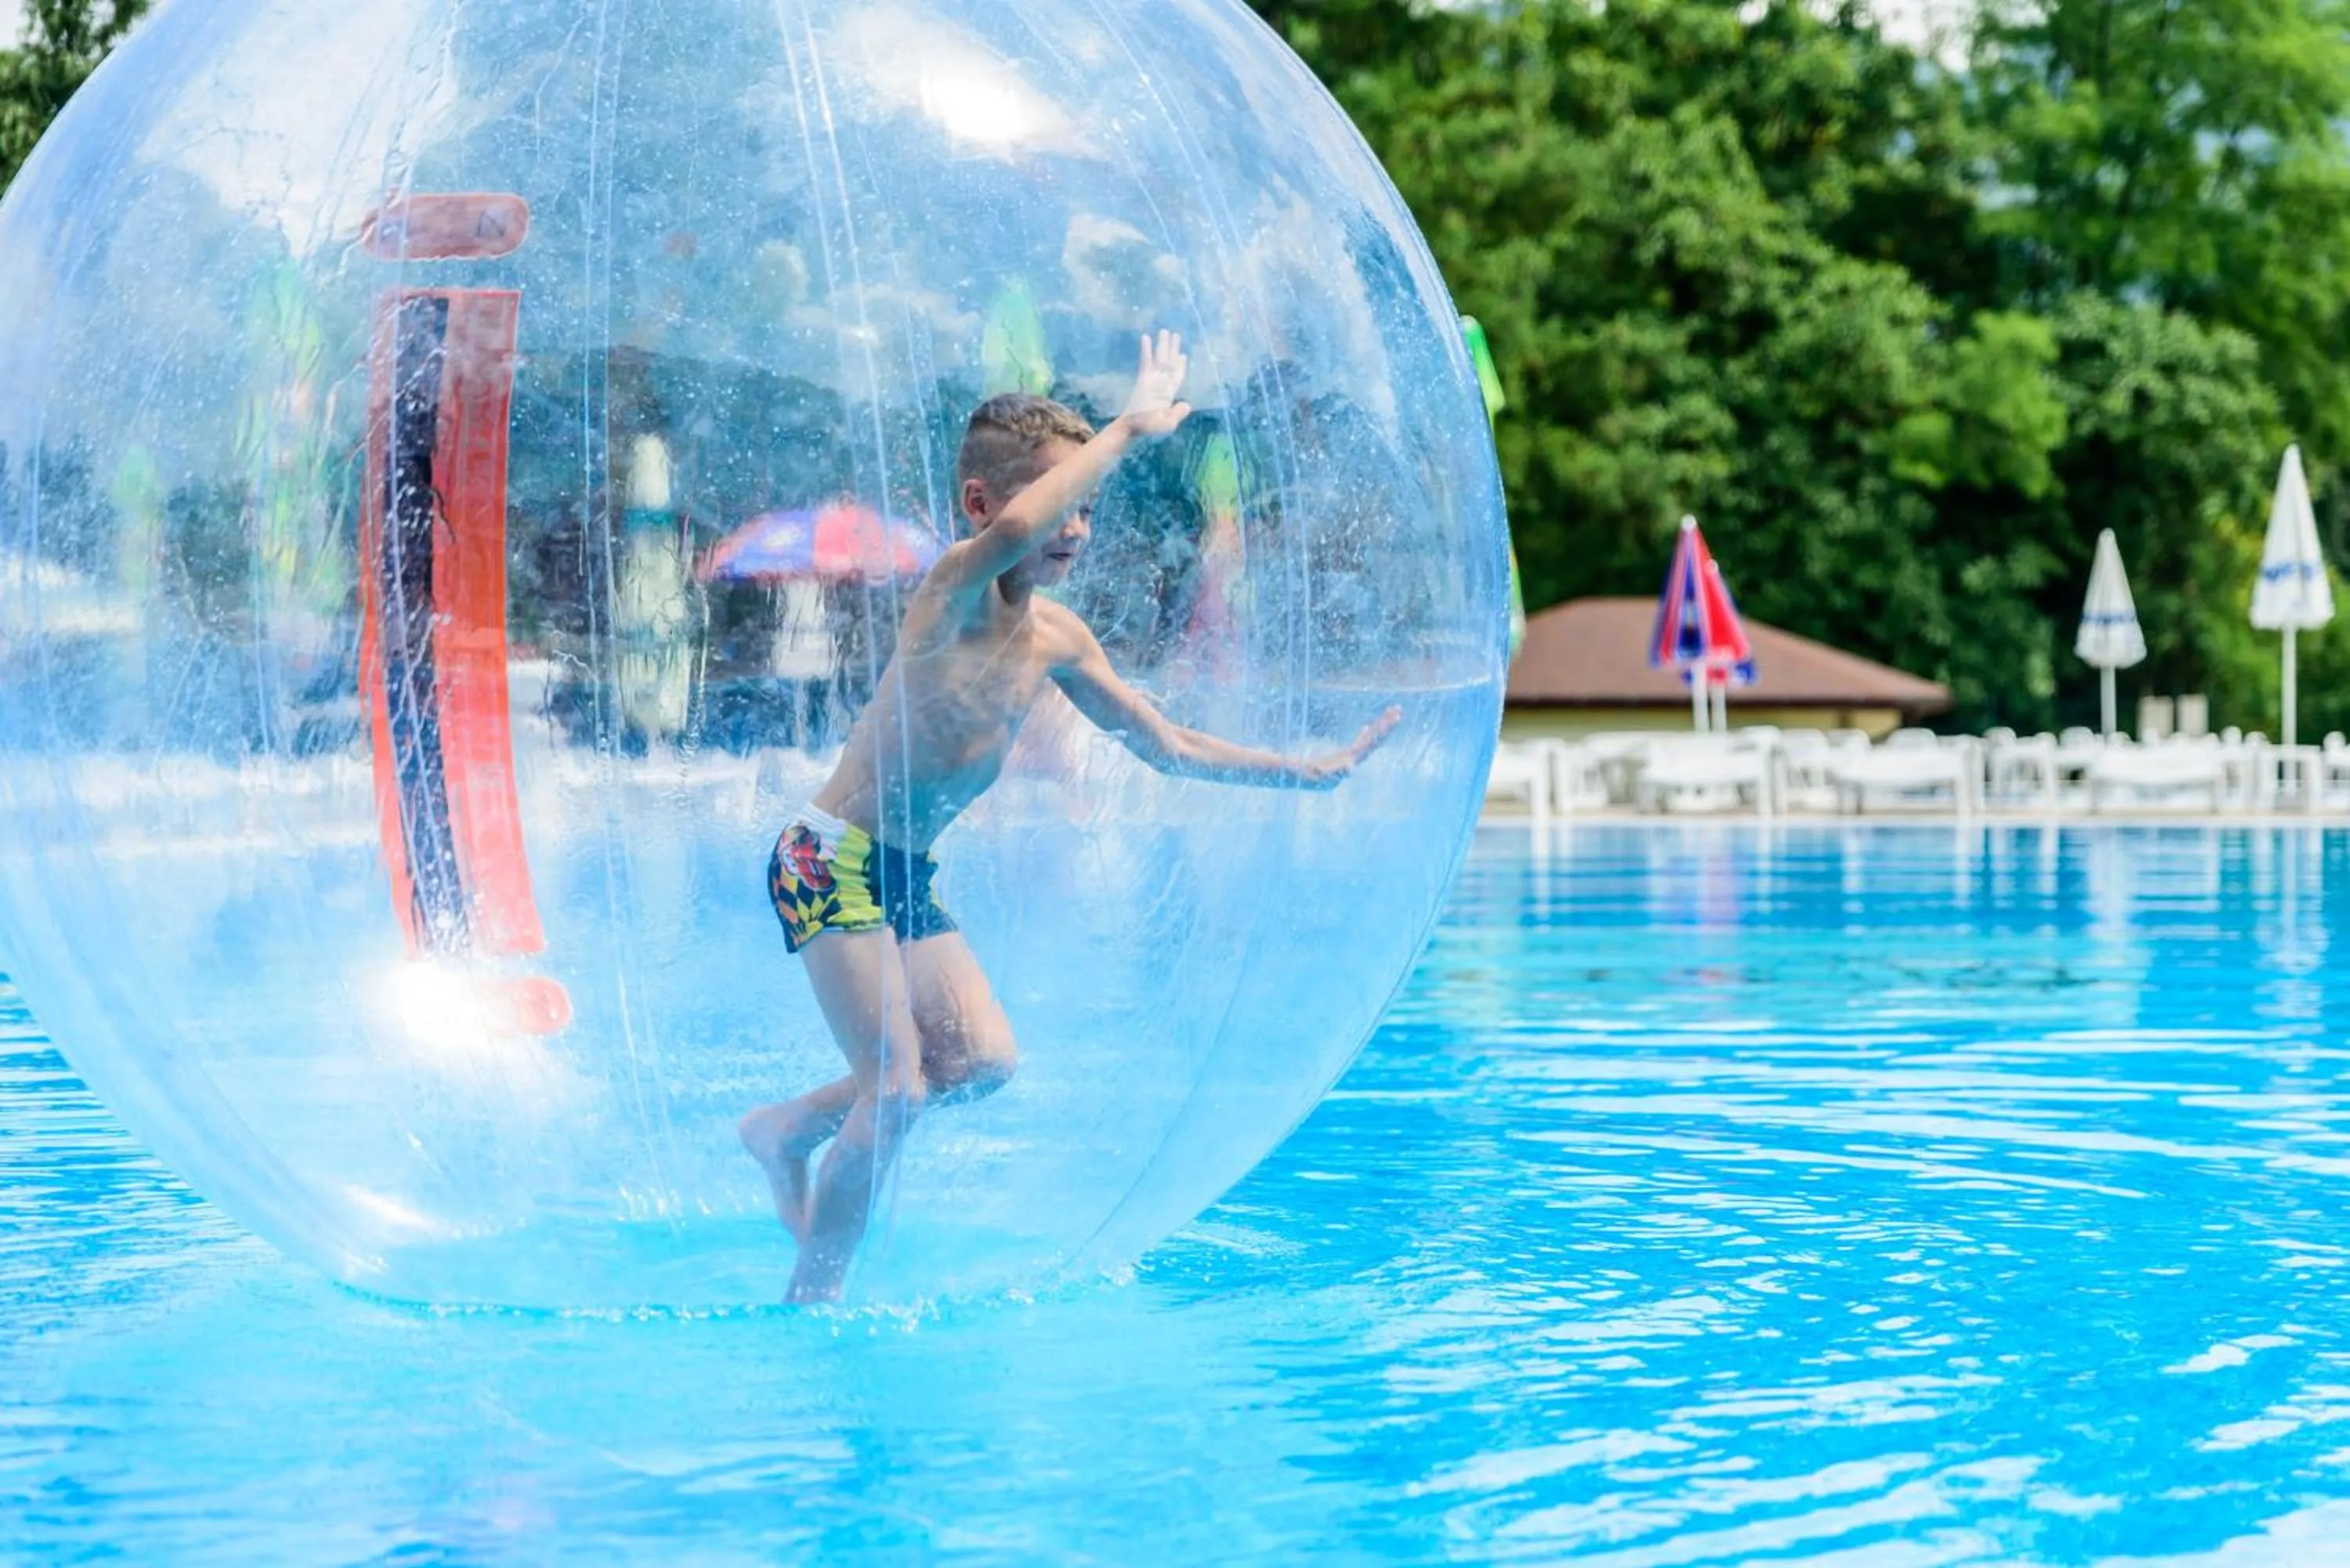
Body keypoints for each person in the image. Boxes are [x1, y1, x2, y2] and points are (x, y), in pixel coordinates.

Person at [738, 331, 1400, 1304]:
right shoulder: (950, 594)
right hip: (825, 857)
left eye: (1089, 509)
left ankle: (785, 1127)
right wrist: (1129, 425)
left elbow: (1162, 742)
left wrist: (1303, 769)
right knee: (898, 1088)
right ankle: (813, 1306)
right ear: (979, 504)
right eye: (1064, 504)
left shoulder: (1056, 636)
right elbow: (1014, 536)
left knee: (981, 1063)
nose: (1078, 528)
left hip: (898, 876)